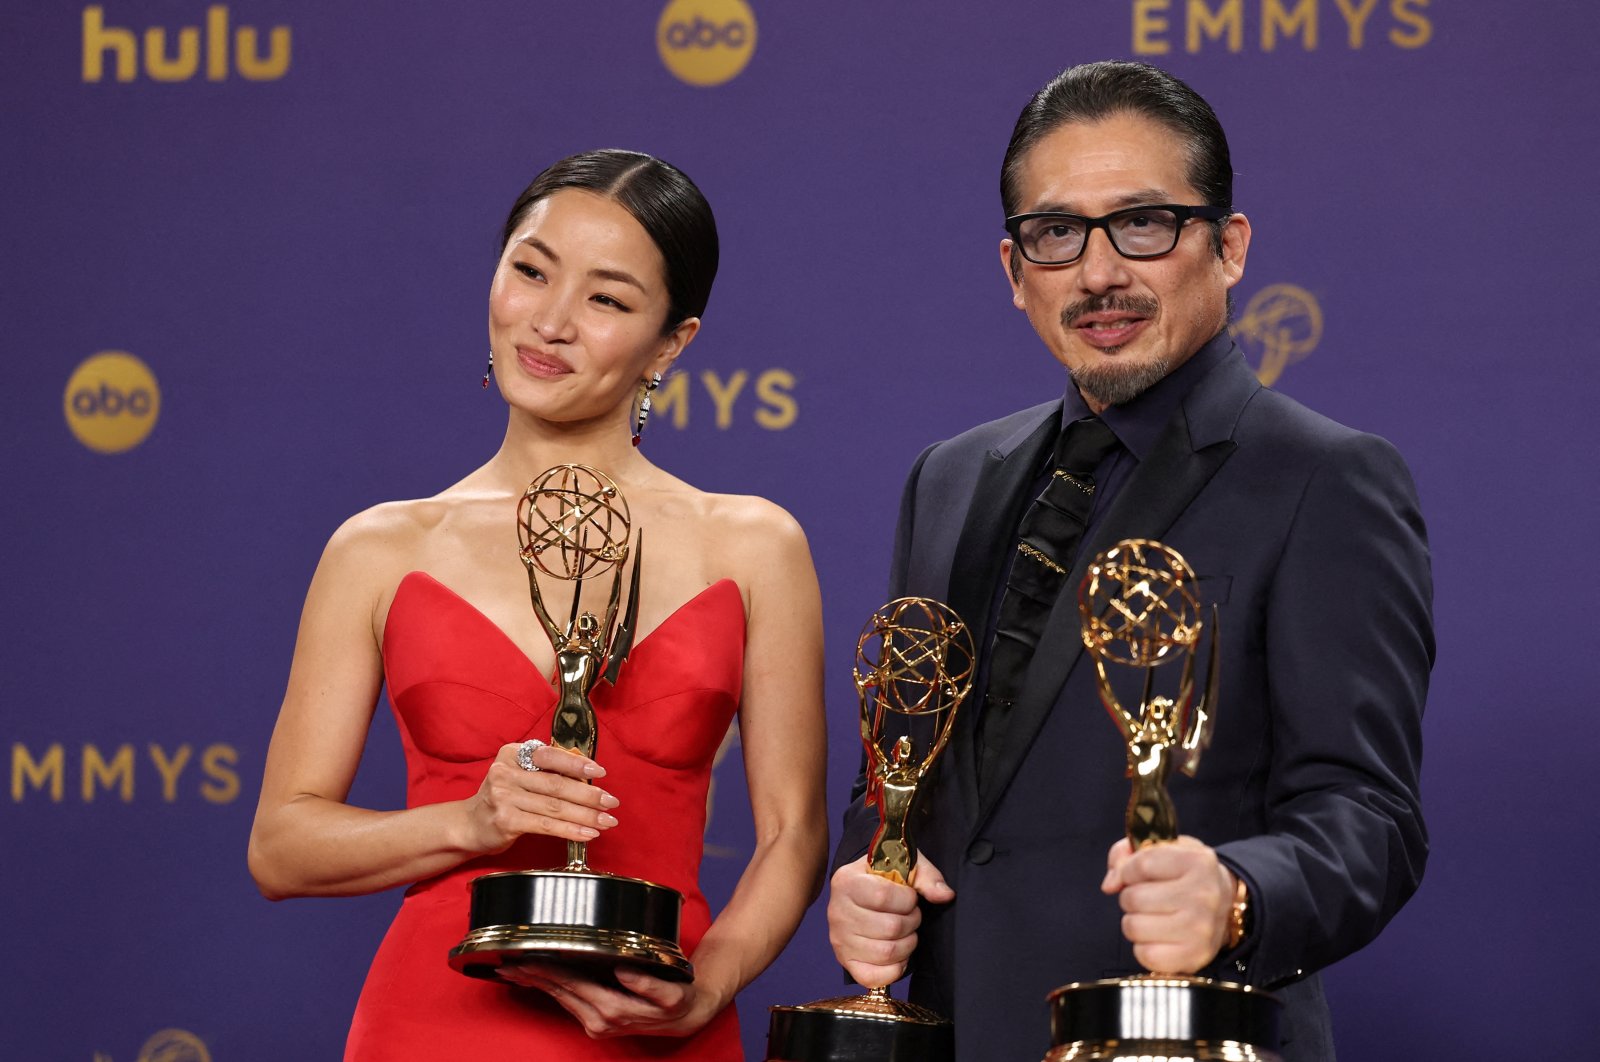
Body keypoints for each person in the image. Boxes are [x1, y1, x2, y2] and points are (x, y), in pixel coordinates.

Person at [826, 61, 1432, 1061]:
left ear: (1228, 248)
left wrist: (1237, 894)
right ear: (1014, 270)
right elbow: (898, 772)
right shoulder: (947, 476)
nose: (1098, 272)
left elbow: (1368, 819)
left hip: (1172, 1037)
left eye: (1143, 222)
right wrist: (865, 876)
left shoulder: (1327, 478)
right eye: (1057, 233)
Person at [247, 149, 829, 1060]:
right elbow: (281, 846)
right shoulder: (381, 547)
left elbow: (794, 835)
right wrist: (470, 823)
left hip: (653, 1023)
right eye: (529, 269)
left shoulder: (754, 545)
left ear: (672, 342)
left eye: (607, 299)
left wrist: (707, 982)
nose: (550, 321)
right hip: (432, 1023)